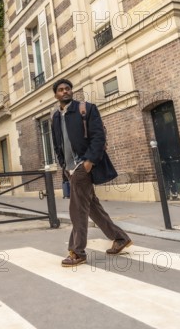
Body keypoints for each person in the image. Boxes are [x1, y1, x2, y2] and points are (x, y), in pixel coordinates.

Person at [51, 78, 132, 267]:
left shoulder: (85, 108)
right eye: (61, 90)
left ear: (72, 91)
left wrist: (89, 162)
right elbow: (57, 144)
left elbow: (98, 136)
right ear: (56, 95)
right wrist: (64, 165)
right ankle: (119, 238)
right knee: (92, 207)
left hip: (83, 165)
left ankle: (77, 251)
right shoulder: (55, 117)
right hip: (71, 168)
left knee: (77, 209)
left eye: (68, 89)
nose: (65, 92)